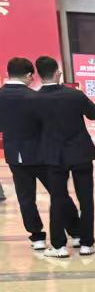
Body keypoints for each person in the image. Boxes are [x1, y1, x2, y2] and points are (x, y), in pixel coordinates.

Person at [33, 56, 95, 257]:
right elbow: (94, 114)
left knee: (58, 199)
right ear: (57, 72)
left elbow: (33, 127)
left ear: (38, 75)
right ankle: (86, 244)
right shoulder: (74, 95)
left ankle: (59, 246)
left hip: (53, 156)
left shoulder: (34, 99)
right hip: (81, 153)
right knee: (86, 199)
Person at [0, 57, 54, 249]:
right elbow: (48, 125)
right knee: (58, 193)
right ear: (29, 75)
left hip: (14, 154)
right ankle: (75, 232)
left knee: (25, 198)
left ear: (8, 73)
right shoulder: (35, 97)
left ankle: (37, 237)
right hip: (41, 154)